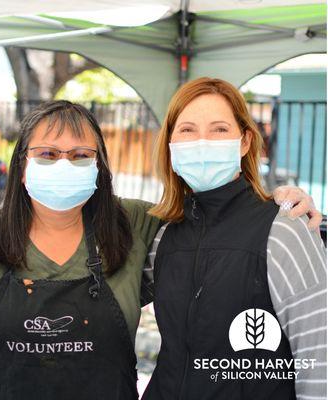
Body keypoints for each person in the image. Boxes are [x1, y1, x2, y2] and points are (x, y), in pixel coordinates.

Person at [0, 100, 320, 400]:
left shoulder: (134, 224)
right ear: (22, 166)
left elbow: (216, 218)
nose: (64, 164)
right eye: (48, 154)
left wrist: (278, 199)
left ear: (99, 166)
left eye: (81, 155)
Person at [142, 77, 327, 400]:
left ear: (244, 142)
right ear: (170, 143)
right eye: (187, 130)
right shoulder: (164, 238)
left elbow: (319, 355)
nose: (202, 142)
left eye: (219, 129)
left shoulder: (283, 229)